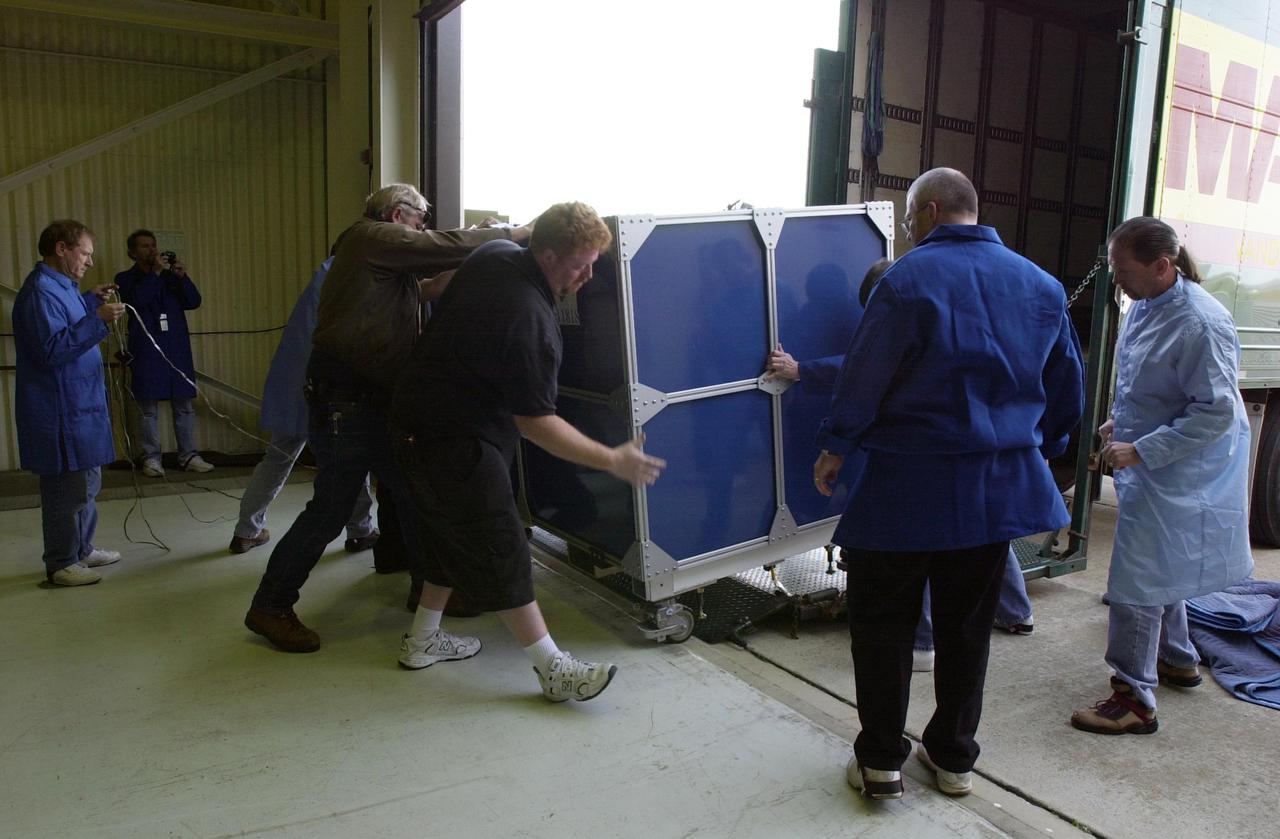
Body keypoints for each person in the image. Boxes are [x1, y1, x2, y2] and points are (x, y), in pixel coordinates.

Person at [813, 168, 1083, 800]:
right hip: (992, 495)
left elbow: (865, 374)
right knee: (967, 630)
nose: (910, 232)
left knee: (883, 627)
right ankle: (955, 759)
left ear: (930, 212)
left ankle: (881, 762)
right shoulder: (1041, 286)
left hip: (902, 492)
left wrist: (835, 445)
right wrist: (1038, 449)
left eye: (910, 221)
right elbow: (1067, 388)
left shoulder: (906, 280)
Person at [390, 201, 666, 702]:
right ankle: (551, 667)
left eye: (593, 263)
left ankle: (423, 639)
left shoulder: (497, 253)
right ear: (547, 253)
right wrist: (614, 459)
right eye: (579, 263)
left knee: (450, 534)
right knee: (501, 542)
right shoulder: (530, 319)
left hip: (417, 419)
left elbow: (447, 291)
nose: (587, 275)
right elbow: (537, 423)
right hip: (451, 436)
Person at [243, 183, 529, 653]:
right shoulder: (369, 237)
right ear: (399, 214)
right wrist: (515, 233)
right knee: (330, 509)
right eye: (420, 219)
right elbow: (437, 248)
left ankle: (426, 596)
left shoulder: (379, 265)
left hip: (373, 400)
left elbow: (432, 283)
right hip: (349, 400)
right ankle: (270, 606)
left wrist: (478, 255)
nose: (424, 227)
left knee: (416, 497)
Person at [767, 259, 1036, 673]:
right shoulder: (963, 304)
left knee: (922, 539)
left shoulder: (903, 311)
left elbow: (865, 369)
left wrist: (806, 379)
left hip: (923, 450)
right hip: (980, 444)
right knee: (984, 531)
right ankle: (1017, 612)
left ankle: (923, 642)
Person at [1070, 217, 1253, 735]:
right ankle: (1176, 658)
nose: (1116, 280)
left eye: (1123, 270)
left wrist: (1144, 448)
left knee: (1136, 583)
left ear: (1162, 266)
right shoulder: (1147, 305)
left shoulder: (1200, 322)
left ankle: (1134, 700)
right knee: (1160, 567)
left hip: (1181, 471)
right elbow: (1149, 386)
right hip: (1157, 466)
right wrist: (1118, 423)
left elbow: (1215, 412)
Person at [228, 256, 377, 556]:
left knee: (278, 457)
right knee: (351, 456)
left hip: (294, 378)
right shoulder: (359, 270)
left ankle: (247, 530)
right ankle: (360, 531)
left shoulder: (328, 270)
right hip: (327, 383)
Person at [13, 220, 126, 586]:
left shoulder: (64, 288)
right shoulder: (39, 292)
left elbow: (68, 321)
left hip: (82, 405)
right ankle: (61, 562)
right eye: (85, 253)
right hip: (59, 410)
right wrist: (96, 319)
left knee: (87, 485)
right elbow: (50, 350)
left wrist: (90, 301)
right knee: (66, 490)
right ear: (61, 249)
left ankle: (81, 550)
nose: (90, 261)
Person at [115, 229, 213, 476]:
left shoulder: (171, 278)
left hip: (176, 347)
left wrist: (182, 277)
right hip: (147, 348)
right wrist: (156, 274)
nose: (152, 250)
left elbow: (193, 301)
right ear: (132, 253)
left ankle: (188, 455)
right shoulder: (125, 278)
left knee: (184, 405)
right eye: (145, 246)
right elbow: (135, 301)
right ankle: (151, 457)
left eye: (153, 245)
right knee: (147, 407)